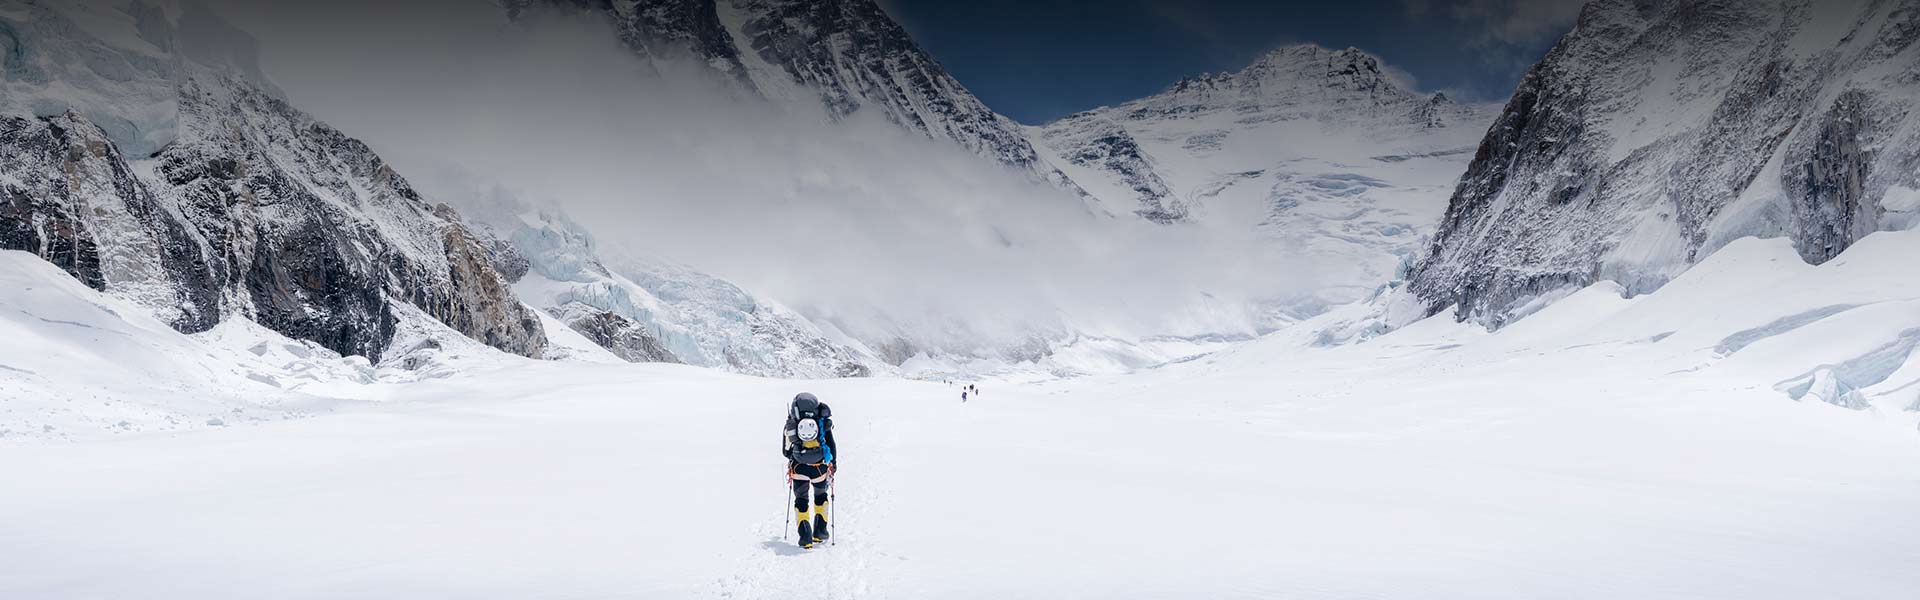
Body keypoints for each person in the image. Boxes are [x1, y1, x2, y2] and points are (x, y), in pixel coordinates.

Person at [783, 392, 837, 548]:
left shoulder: (791, 424)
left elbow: (785, 452)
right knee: (821, 496)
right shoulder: (822, 422)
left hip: (799, 467)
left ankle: (805, 537)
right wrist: (834, 463)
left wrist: (797, 455)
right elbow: (831, 444)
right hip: (819, 468)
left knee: (801, 499)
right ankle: (820, 533)